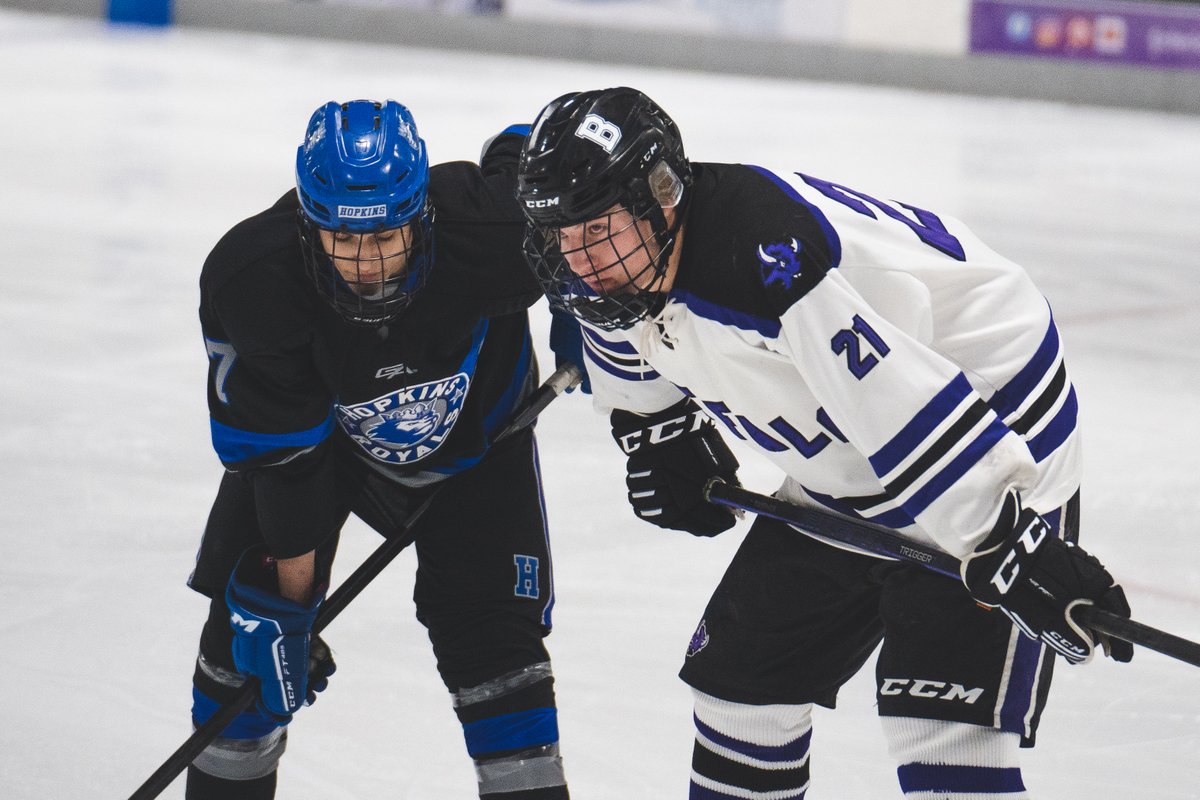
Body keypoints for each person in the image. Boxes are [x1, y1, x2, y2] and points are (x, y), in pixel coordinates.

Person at [515, 87, 1133, 799]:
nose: (579, 261)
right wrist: (656, 428)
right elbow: (623, 333)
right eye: (561, 237)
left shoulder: (768, 259)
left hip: (982, 418)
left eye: (596, 231)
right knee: (742, 692)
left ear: (660, 198)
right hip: (849, 455)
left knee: (941, 726)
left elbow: (898, 404)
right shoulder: (627, 261)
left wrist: (1007, 540)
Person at [187, 98, 572, 800]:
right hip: (329, 452)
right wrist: (292, 612)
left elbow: (552, 155)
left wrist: (579, 300)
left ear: (422, 216)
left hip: (480, 446)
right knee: (249, 645)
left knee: (497, 654)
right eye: (343, 240)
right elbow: (287, 465)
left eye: (388, 237)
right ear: (308, 227)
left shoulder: (491, 229)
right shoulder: (257, 281)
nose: (366, 264)